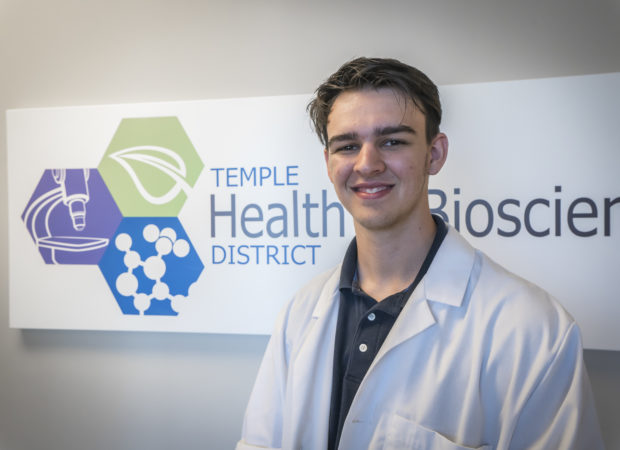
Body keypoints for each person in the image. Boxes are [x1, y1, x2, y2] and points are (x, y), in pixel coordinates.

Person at [236, 57, 604, 449]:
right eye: (347, 145)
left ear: (434, 154)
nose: (367, 164)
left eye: (392, 141)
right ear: (329, 164)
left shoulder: (532, 329)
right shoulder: (300, 313)